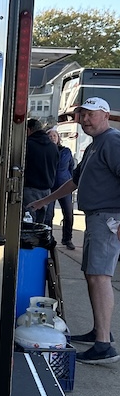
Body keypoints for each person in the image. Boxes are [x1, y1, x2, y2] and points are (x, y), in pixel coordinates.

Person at [29, 98, 120, 365]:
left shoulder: (113, 142)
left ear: (105, 115)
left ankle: (103, 345)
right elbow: (74, 181)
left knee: (100, 277)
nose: (84, 120)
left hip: (108, 218)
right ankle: (99, 332)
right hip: (97, 217)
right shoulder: (96, 146)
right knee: (92, 276)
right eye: (81, 115)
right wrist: (44, 201)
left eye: (90, 115)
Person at [23, 117, 59, 225]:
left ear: (28, 130)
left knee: (29, 223)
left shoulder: (28, 145)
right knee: (41, 224)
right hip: (47, 191)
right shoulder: (53, 147)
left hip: (30, 190)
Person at [47, 127, 75, 249]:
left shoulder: (66, 151)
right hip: (50, 187)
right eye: (50, 136)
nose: (52, 137)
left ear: (58, 138)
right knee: (49, 215)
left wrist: (71, 181)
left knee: (68, 214)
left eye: (54, 135)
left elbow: (72, 167)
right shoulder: (46, 151)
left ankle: (67, 239)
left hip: (65, 187)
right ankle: (49, 239)